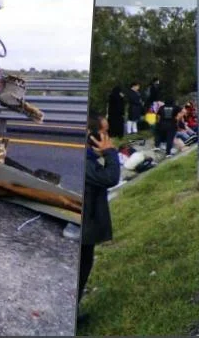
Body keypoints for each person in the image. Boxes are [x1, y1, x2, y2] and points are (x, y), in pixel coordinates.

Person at [79, 115, 121, 323]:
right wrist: (111, 152)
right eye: (103, 133)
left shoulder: (89, 158)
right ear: (91, 134)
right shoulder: (85, 160)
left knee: (85, 267)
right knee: (81, 268)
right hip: (83, 226)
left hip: (87, 226)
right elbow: (110, 178)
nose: (107, 138)